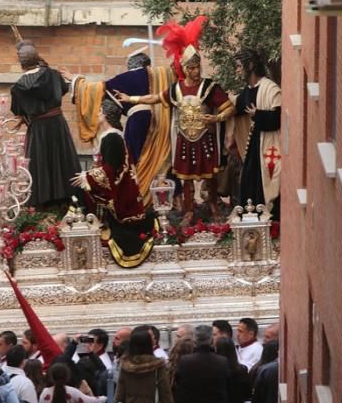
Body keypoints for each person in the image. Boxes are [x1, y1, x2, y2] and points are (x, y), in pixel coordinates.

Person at [115, 19, 234, 222]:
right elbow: (154, 98)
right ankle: (188, 210)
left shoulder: (209, 87)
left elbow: (229, 107)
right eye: (193, 68)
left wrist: (216, 118)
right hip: (184, 140)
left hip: (205, 138)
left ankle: (213, 206)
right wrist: (130, 98)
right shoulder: (176, 89)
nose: (197, 71)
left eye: (198, 67)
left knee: (210, 177)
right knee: (184, 178)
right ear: (185, 68)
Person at [61, 49, 173, 198]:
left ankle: (141, 196)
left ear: (131, 64)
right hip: (162, 122)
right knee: (161, 160)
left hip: (137, 122)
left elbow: (94, 89)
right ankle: (169, 200)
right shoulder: (161, 74)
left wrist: (74, 79)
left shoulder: (123, 79)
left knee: (135, 159)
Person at [71, 99, 157, 268]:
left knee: (78, 192)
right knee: (79, 191)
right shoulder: (111, 137)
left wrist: (87, 177)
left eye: (100, 111)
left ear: (106, 115)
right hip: (118, 188)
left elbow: (110, 170)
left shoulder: (112, 138)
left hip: (120, 194)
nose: (97, 114)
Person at [10, 40, 81, 207]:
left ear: (21, 62)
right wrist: (45, 67)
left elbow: (18, 110)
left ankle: (43, 203)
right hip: (57, 124)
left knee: (40, 164)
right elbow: (62, 89)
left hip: (38, 129)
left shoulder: (18, 88)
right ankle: (66, 199)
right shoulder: (53, 74)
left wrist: (24, 116)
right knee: (62, 160)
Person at [232, 48, 281, 219]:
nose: (237, 70)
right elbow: (235, 108)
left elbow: (277, 118)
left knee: (265, 178)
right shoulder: (247, 91)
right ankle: (249, 215)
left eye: (239, 66)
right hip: (254, 143)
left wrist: (258, 114)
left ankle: (269, 216)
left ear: (250, 65)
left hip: (268, 142)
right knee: (248, 177)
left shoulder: (270, 88)